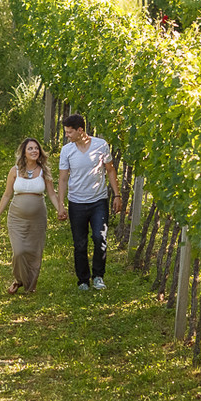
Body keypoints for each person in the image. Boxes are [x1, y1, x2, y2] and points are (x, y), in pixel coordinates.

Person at [57, 114, 122, 291]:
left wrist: (117, 195)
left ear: (80, 130)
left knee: (100, 237)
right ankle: (83, 280)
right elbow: (63, 178)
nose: (67, 135)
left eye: (69, 132)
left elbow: (110, 170)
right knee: (80, 243)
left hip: (98, 201)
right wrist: (61, 204)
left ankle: (98, 276)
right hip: (76, 202)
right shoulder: (67, 150)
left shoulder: (100, 145)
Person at [0, 137, 61, 294]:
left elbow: (51, 194)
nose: (34, 151)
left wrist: (60, 209)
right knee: (19, 251)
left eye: (36, 148)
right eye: (30, 148)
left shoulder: (44, 171)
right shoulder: (15, 171)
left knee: (34, 252)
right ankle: (19, 279)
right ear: (24, 152)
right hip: (16, 217)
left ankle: (30, 285)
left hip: (38, 218)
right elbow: (7, 194)